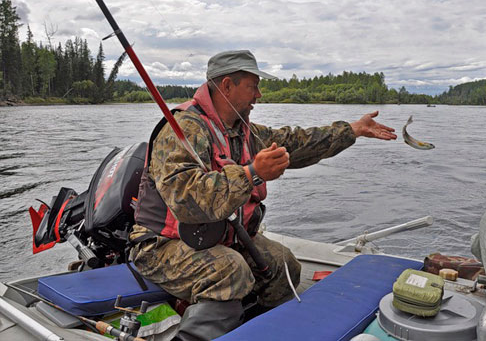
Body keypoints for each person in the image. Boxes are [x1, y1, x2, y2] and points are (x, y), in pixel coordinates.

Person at [129, 50, 397, 340]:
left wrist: (353, 130)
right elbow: (185, 200)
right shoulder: (182, 129)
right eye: (252, 86)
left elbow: (298, 142)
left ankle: (257, 331)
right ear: (227, 86)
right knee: (230, 272)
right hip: (161, 247)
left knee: (284, 266)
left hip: (218, 236)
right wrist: (251, 174)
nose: (259, 94)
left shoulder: (244, 131)